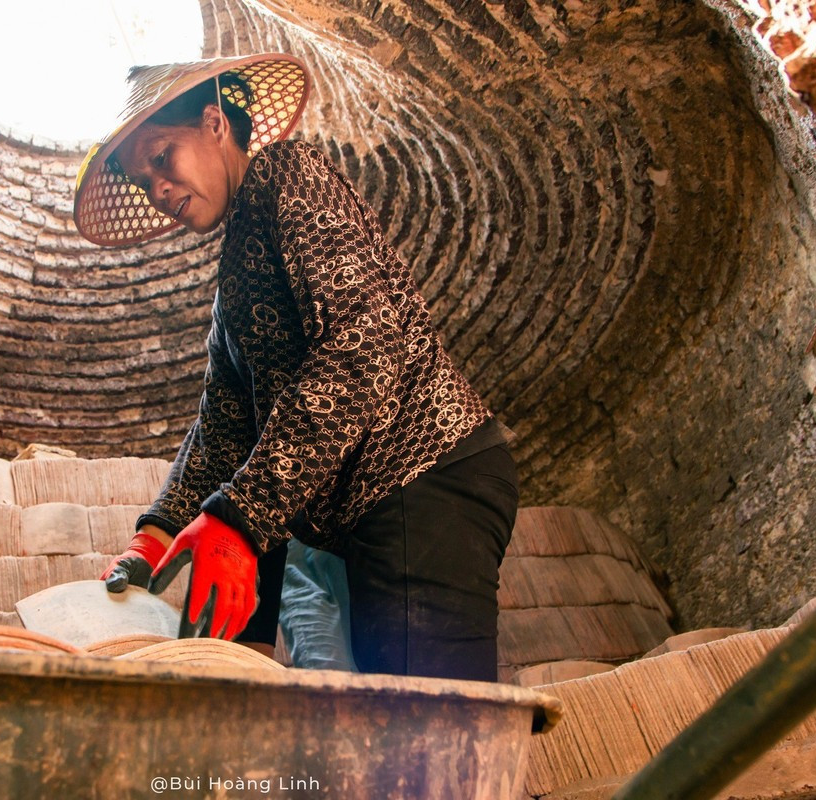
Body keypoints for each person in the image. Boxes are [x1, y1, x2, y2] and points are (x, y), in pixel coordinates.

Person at [77, 53, 519, 681]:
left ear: (214, 124)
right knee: (390, 720)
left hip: (428, 471)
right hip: (371, 504)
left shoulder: (289, 172)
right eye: (145, 183)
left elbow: (364, 343)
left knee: (427, 727)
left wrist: (240, 518)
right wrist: (155, 533)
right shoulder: (234, 277)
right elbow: (224, 428)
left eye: (162, 159)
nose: (159, 189)